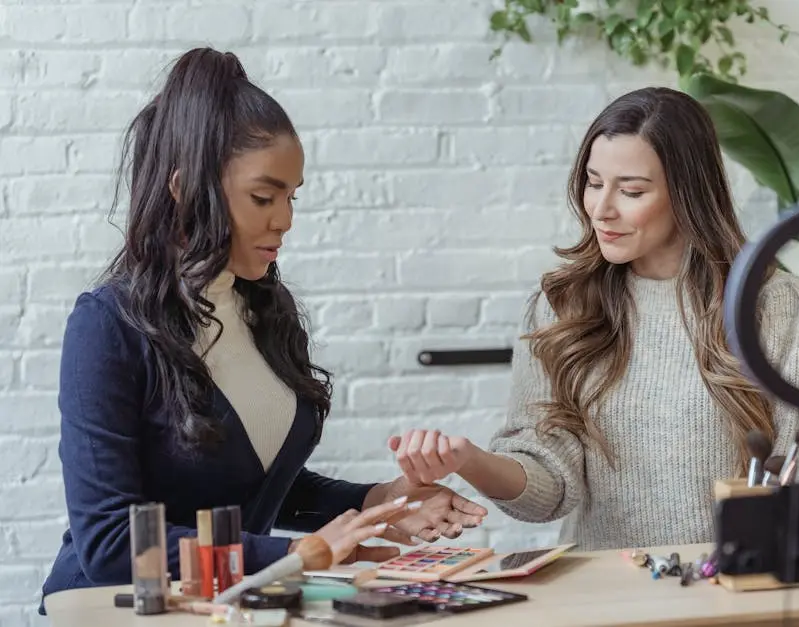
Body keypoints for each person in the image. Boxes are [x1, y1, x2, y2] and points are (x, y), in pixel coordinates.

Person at [39, 47, 486, 614]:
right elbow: (109, 543)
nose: (285, 219)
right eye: (263, 196)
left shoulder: (262, 309)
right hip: (118, 610)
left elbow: (256, 483)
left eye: (291, 196)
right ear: (184, 187)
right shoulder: (109, 324)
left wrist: (385, 500)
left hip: (223, 605)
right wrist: (304, 552)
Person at [388, 87, 799, 552]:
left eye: (632, 190)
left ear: (687, 193)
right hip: (606, 596)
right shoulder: (562, 304)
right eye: (594, 182)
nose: (601, 209)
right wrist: (469, 460)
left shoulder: (776, 305)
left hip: (737, 595)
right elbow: (552, 491)